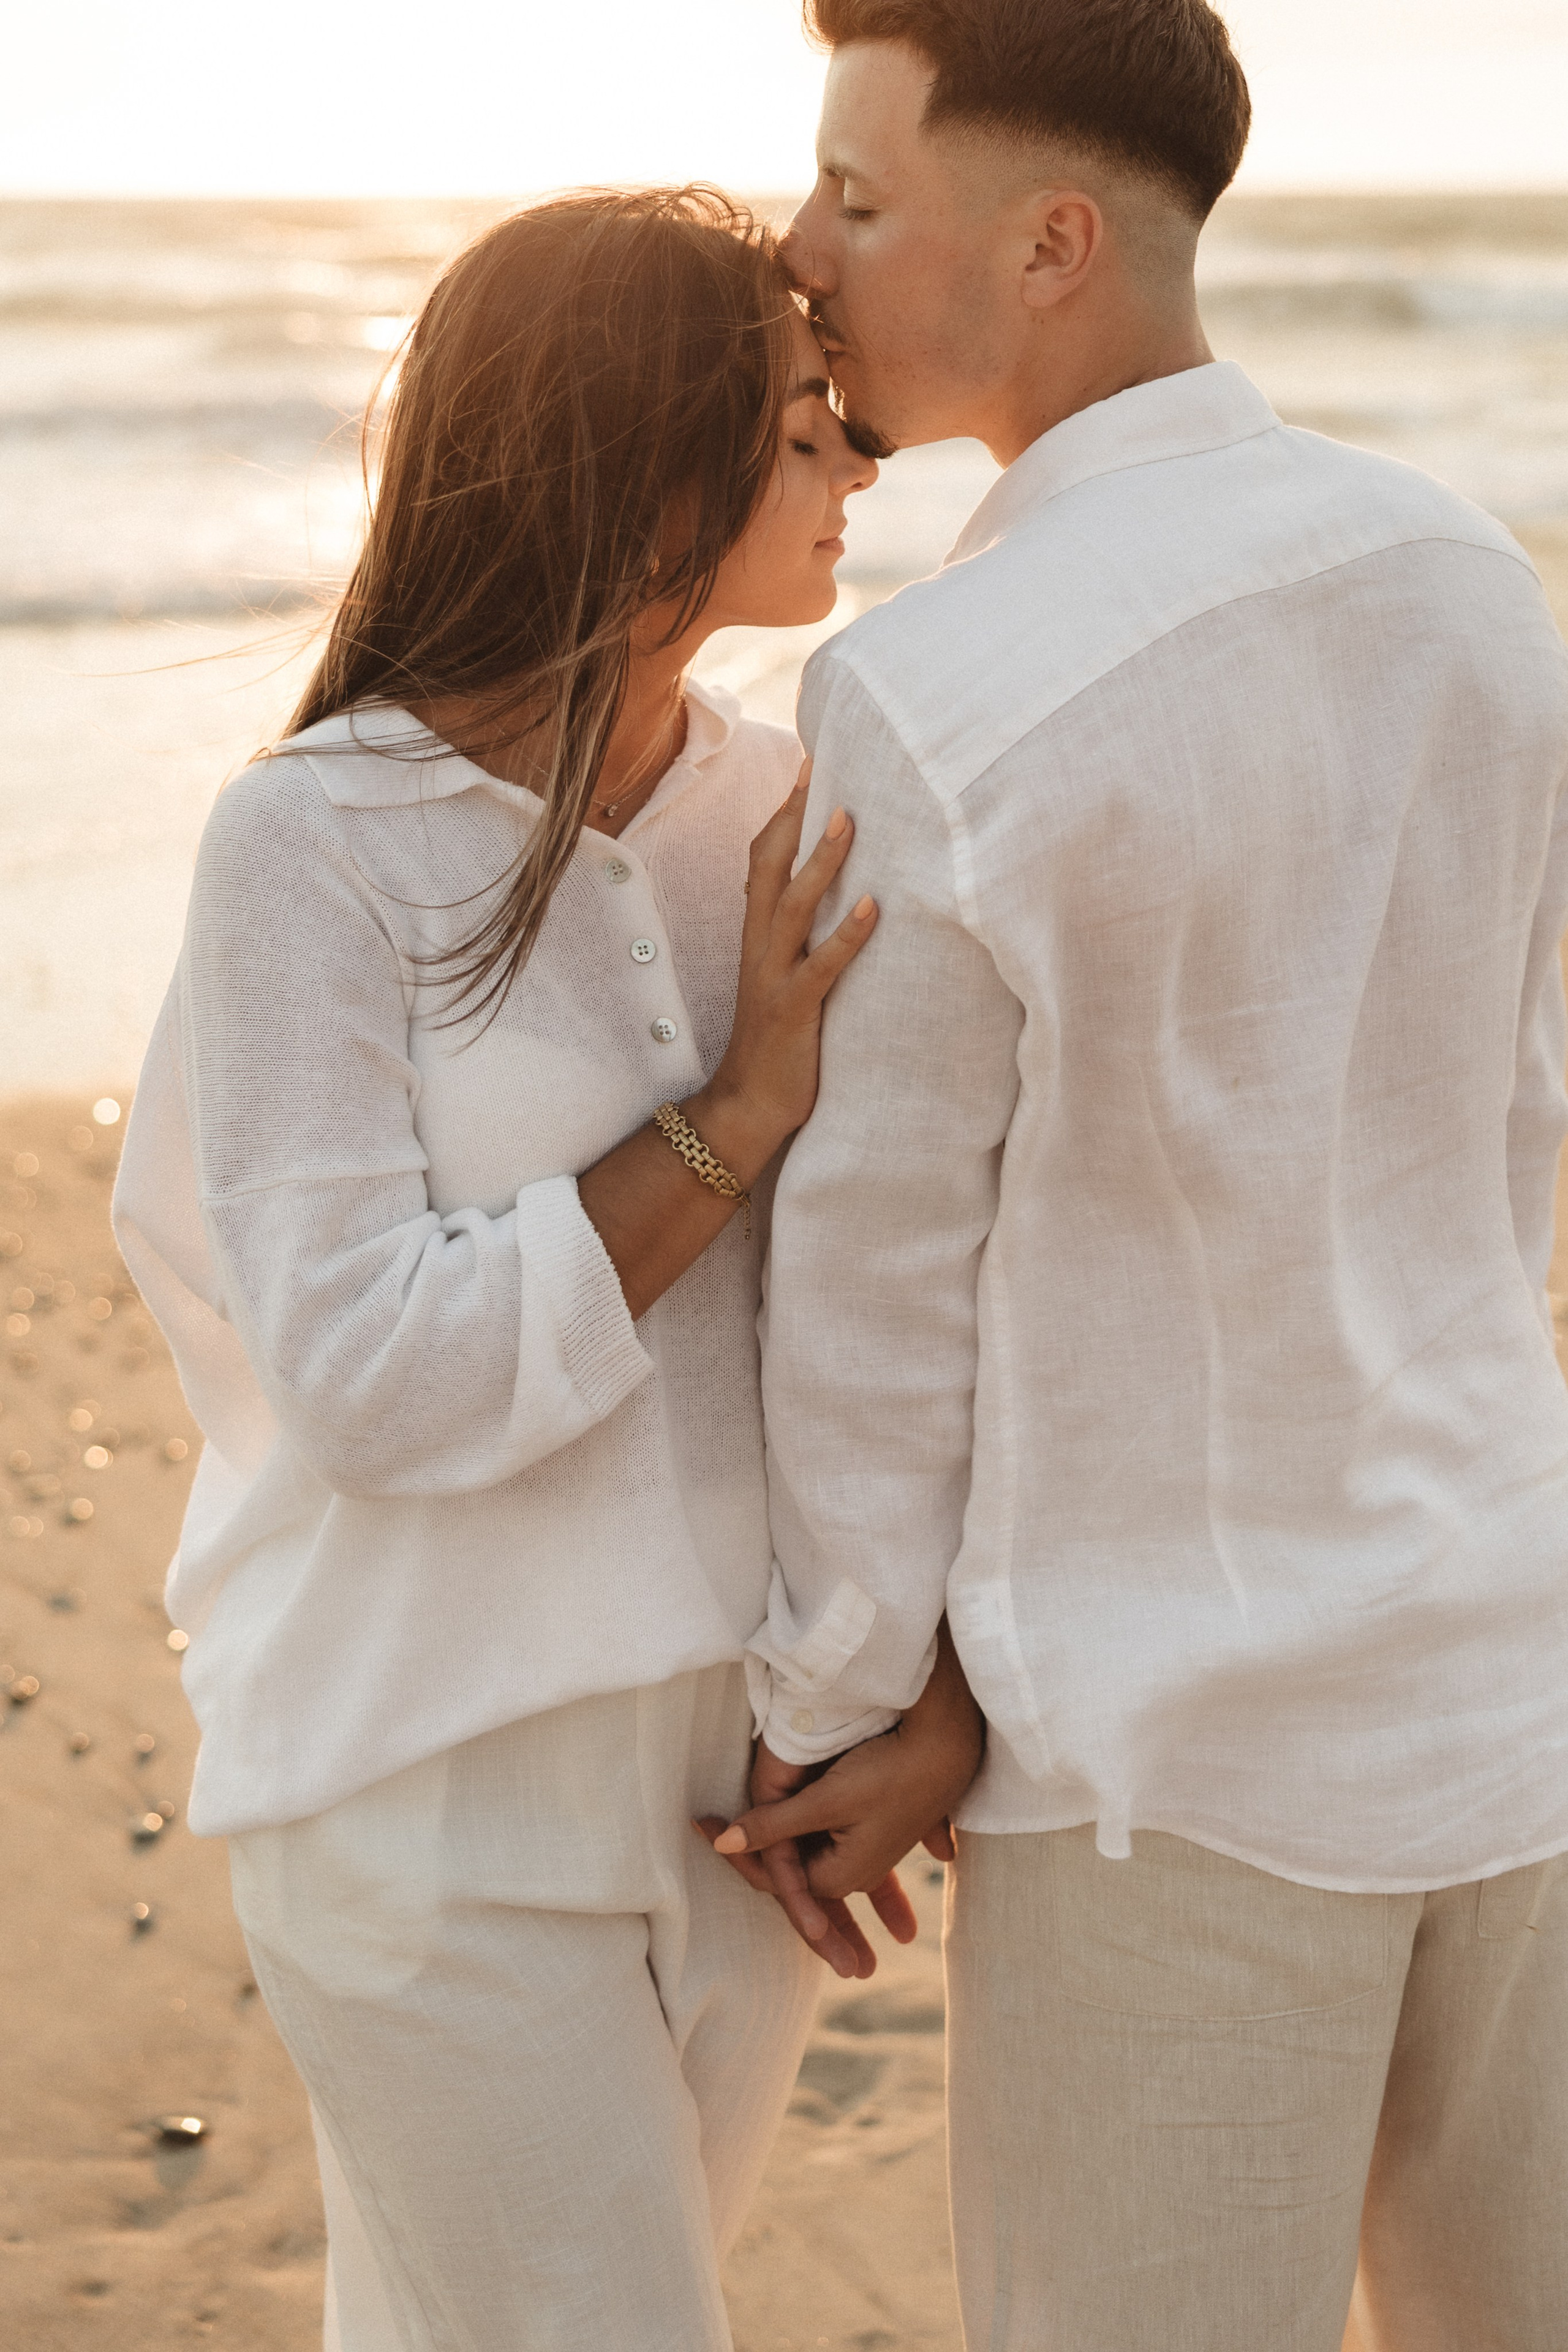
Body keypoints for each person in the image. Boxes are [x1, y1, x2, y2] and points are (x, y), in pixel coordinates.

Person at [712, 6, 1568, 2347]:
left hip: (1170, 1780)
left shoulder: (944, 689)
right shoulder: (1470, 575)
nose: (802, 253)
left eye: (859, 198)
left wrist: (839, 1696)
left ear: (1052, 242)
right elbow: (1516, 1145)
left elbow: (884, 1288)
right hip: (1508, 1686)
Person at [111, 187, 974, 2352]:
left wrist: (909, 1695)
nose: (860, 468)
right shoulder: (313, 842)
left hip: (744, 1808)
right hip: (428, 1788)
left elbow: (901, 1305)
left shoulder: (795, 805)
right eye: (802, 428)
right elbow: (373, 1376)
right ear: (639, 458)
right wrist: (726, 1123)